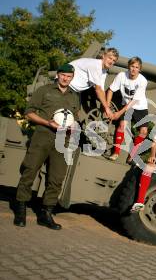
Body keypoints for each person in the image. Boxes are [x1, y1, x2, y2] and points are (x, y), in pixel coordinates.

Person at [13, 64, 80, 230]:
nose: (65, 78)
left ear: (72, 78)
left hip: (62, 141)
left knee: (56, 179)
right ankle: (20, 210)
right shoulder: (44, 90)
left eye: (69, 76)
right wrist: (47, 122)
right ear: (57, 75)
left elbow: (75, 118)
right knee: (29, 171)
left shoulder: (74, 97)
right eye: (63, 75)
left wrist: (74, 126)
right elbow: (29, 112)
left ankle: (46, 214)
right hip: (42, 136)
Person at [105, 56, 149, 162]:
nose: (133, 69)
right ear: (128, 66)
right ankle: (116, 152)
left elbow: (133, 101)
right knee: (122, 126)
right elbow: (110, 90)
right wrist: (106, 107)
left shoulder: (143, 81)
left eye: (136, 67)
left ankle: (133, 154)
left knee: (143, 131)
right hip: (126, 104)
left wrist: (118, 113)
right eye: (132, 66)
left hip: (140, 106)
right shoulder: (121, 75)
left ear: (140, 69)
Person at [69, 47, 119, 120]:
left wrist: (106, 107)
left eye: (114, 60)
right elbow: (98, 89)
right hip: (67, 86)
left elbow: (101, 90)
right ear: (103, 56)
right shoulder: (96, 66)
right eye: (109, 58)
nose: (111, 61)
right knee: (67, 115)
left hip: (74, 91)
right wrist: (107, 109)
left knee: (73, 115)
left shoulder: (104, 71)